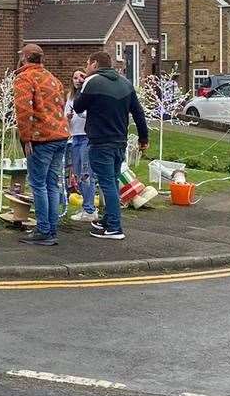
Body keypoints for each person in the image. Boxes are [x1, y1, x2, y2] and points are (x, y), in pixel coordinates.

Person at [73, 51, 149, 240]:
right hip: (119, 141)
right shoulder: (125, 83)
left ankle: (114, 228)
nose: (87, 68)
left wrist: (81, 91)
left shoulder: (93, 81)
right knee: (112, 181)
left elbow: (78, 107)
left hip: (100, 141)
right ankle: (107, 220)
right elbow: (138, 113)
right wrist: (143, 139)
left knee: (107, 184)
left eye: (88, 64)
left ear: (95, 64)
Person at [13, 44, 70, 246]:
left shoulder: (24, 78)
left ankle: (44, 230)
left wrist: (26, 137)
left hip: (41, 137)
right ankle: (51, 228)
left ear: (26, 57)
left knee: (38, 184)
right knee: (51, 184)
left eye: (21, 55)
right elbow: (61, 106)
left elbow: (23, 110)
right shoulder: (53, 78)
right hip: (60, 135)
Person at [65, 69, 97, 223]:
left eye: (81, 77)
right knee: (78, 174)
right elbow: (66, 119)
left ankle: (90, 209)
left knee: (86, 174)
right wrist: (68, 118)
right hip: (74, 138)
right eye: (75, 77)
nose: (78, 80)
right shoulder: (70, 97)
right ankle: (86, 206)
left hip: (86, 137)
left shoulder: (88, 95)